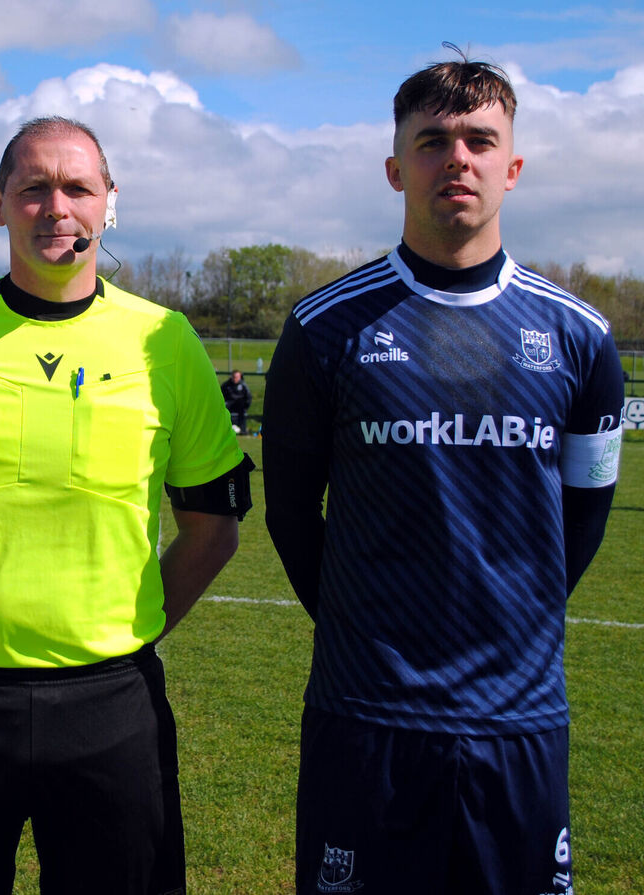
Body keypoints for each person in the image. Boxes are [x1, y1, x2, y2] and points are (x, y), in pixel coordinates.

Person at [0, 116, 253, 894]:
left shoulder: (166, 341)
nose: (56, 206)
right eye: (34, 188)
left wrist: (123, 628)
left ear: (110, 203)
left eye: (78, 187)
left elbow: (213, 529)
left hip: (112, 699)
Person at [262, 54, 623, 895]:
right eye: (431, 142)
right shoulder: (323, 329)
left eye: (478, 140)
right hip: (367, 717)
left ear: (512, 167)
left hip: (518, 720)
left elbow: (588, 514)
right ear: (396, 168)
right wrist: (366, 629)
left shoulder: (580, 337)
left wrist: (515, 619)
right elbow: (289, 515)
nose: (456, 158)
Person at [221, 369, 252, 434]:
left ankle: (243, 430)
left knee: (242, 409)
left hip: (239, 405)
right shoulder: (226, 385)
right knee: (224, 410)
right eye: (234, 377)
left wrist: (246, 406)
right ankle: (224, 430)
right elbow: (220, 396)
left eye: (237, 377)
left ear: (240, 377)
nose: (235, 379)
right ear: (231, 377)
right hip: (229, 404)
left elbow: (248, 397)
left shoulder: (243, 385)